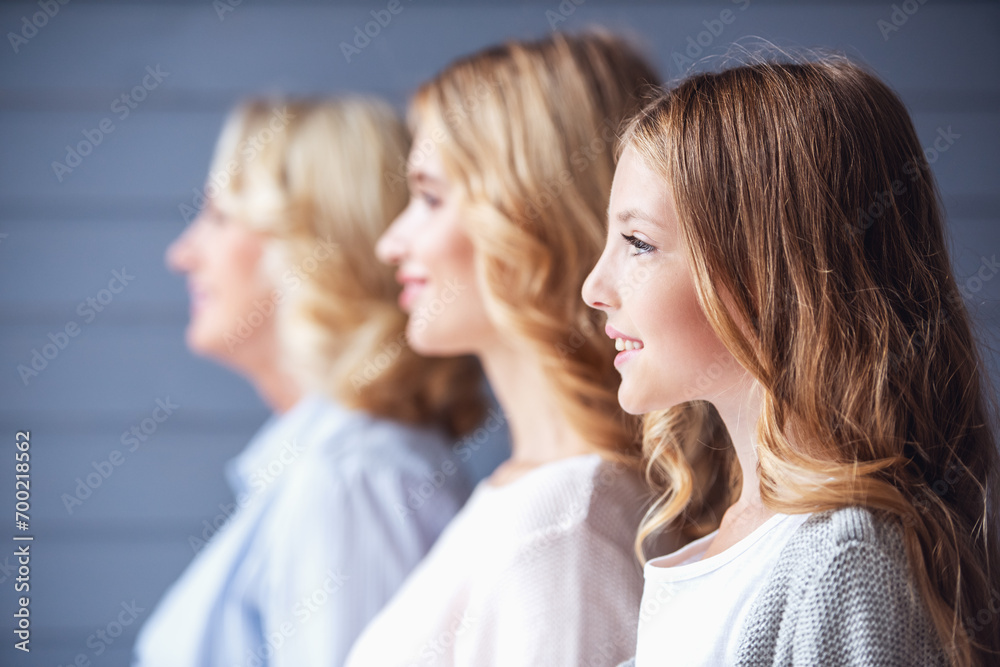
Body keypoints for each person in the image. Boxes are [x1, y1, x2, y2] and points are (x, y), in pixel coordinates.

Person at [583, 55, 1000, 666]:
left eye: (638, 243)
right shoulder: (742, 538)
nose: (595, 286)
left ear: (773, 278)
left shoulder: (845, 563)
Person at [344, 32, 679, 667]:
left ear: (531, 216)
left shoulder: (568, 528)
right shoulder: (537, 502)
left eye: (430, 198)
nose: (393, 242)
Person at [133, 98, 484, 667]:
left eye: (219, 217)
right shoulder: (330, 468)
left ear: (314, 248)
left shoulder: (351, 479)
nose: (182, 254)